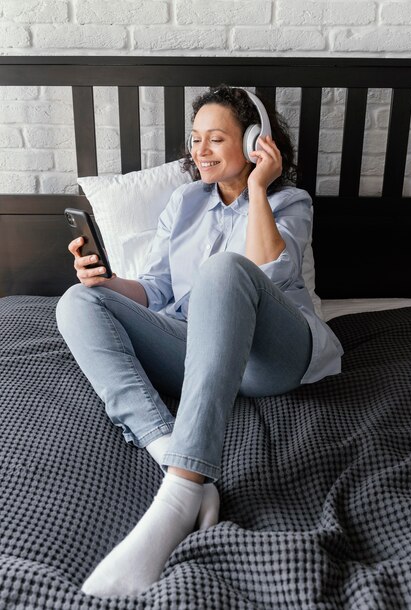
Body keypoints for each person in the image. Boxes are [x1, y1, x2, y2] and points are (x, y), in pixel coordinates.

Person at [56, 85, 343, 598]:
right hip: (196, 348)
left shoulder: (290, 201)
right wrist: (103, 282)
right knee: (77, 302)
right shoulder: (185, 201)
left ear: (256, 142)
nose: (200, 151)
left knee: (224, 270)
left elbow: (266, 273)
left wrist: (258, 189)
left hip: (272, 358)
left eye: (216, 139)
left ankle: (181, 494)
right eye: (195, 140)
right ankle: (168, 449)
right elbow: (157, 289)